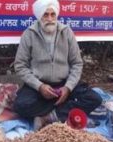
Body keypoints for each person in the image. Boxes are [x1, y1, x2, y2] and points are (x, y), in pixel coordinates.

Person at [13, 0, 102, 130]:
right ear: (39, 16)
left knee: (94, 98)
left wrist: (68, 88)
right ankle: (64, 110)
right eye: (45, 15)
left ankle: (50, 115)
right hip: (40, 84)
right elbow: (20, 66)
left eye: (52, 14)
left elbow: (77, 63)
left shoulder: (66, 32)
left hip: (64, 83)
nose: (50, 19)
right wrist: (39, 86)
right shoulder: (29, 34)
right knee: (20, 105)